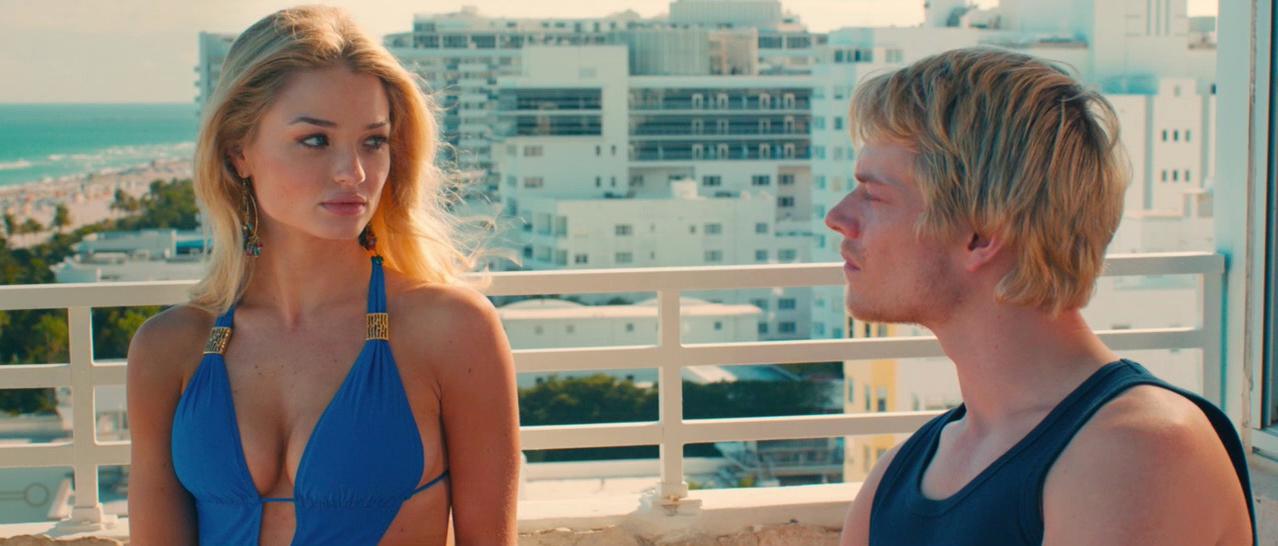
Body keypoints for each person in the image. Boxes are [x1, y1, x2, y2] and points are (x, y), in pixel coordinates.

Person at [827, 47, 1254, 546]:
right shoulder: (897, 477)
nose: (838, 217)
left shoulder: (1138, 451)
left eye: (873, 194)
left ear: (981, 234)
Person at [126, 6, 519, 545]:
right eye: (315, 140)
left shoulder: (451, 330)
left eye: (373, 141)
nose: (352, 173)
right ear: (239, 152)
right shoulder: (169, 347)